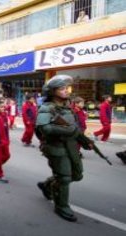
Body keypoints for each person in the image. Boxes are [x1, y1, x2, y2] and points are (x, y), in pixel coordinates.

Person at [36, 75, 92, 222]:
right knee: (65, 178)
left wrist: (84, 140)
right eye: (62, 88)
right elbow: (44, 128)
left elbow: (74, 128)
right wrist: (70, 132)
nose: (66, 91)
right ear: (52, 91)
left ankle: (48, 185)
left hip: (71, 146)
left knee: (77, 175)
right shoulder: (47, 107)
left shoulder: (67, 107)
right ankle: (61, 206)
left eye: (67, 88)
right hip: (56, 148)